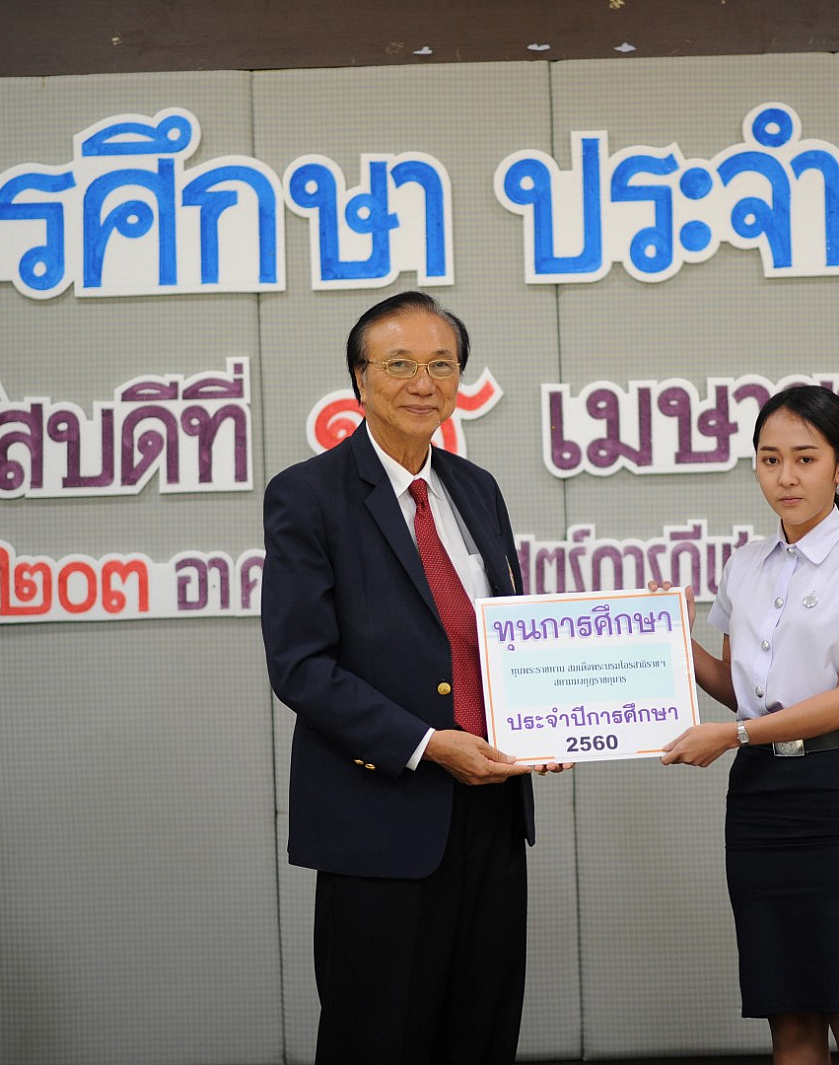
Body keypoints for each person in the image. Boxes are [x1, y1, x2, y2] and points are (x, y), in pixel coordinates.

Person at [261, 291, 562, 1065]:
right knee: (378, 1038)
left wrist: (547, 716)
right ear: (360, 380)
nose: (423, 383)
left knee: (482, 1032)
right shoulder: (309, 494)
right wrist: (428, 743)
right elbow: (300, 666)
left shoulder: (477, 488)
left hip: (492, 813)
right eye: (399, 365)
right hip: (382, 816)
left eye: (442, 365)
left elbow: (505, 635)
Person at [655, 384, 839, 1065]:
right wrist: (666, 635)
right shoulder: (744, 565)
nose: (786, 477)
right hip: (760, 801)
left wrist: (734, 735)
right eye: (770, 460)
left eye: (805, 458)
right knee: (789, 1018)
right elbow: (736, 687)